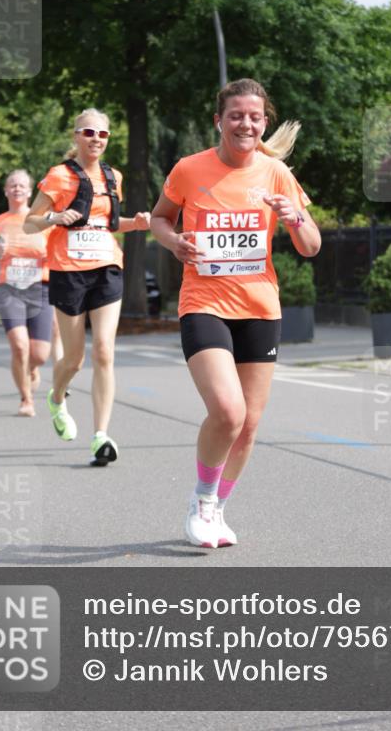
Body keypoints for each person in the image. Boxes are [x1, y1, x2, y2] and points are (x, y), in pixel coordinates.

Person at [151, 78, 321, 548]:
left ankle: (217, 507)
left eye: (254, 116)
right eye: (235, 115)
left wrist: (293, 216)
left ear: (263, 122)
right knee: (227, 411)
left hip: (260, 307)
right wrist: (173, 242)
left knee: (248, 426)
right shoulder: (189, 169)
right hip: (203, 302)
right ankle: (202, 501)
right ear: (218, 121)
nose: (245, 123)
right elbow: (159, 218)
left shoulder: (276, 173)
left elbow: (311, 246)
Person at [24, 109, 150, 465]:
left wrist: (136, 223)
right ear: (76, 136)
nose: (96, 138)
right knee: (75, 359)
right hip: (68, 271)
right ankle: (57, 397)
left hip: (107, 266)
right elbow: (29, 224)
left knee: (105, 351)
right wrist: (53, 217)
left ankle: (101, 436)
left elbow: (107, 225)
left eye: (103, 134)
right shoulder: (59, 176)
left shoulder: (114, 177)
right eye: (89, 132)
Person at [0, 170, 57, 417]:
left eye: (21, 185)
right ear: (6, 191)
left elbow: (56, 253)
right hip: (9, 290)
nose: (16, 189)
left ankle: (32, 369)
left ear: (29, 191)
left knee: (40, 354)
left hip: (40, 289)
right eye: (12, 185)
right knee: (19, 346)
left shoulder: (42, 221)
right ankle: (26, 399)